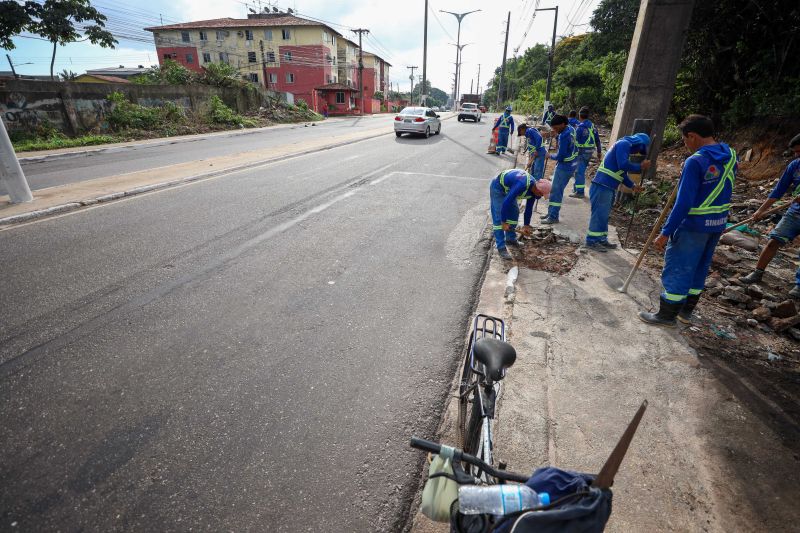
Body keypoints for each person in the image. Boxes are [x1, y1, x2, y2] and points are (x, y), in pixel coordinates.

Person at [639, 114, 738, 326]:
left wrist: (666, 232)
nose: (685, 145)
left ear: (692, 136)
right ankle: (686, 312)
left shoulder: (695, 161)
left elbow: (683, 204)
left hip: (692, 225)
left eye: (684, 140)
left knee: (679, 267)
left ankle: (666, 315)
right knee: (699, 267)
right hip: (717, 224)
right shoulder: (731, 155)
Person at [740, 133, 800, 296]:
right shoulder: (794, 166)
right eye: (795, 152)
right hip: (795, 212)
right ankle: (757, 273)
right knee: (774, 240)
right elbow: (778, 191)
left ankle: (799, 285)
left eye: (799, 152)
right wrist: (761, 210)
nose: (796, 155)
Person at [585, 133, 650, 251]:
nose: (637, 152)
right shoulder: (624, 144)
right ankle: (592, 240)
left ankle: (601, 239)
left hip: (608, 187)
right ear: (638, 143)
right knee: (599, 215)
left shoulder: (623, 147)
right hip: (602, 185)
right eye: (640, 150)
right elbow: (623, 165)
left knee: (604, 215)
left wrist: (633, 186)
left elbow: (622, 173)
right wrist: (640, 166)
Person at [490, 168, 552, 259]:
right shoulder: (522, 185)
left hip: (509, 190)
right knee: (499, 217)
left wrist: (526, 225)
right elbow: (506, 202)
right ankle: (501, 247)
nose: (542, 196)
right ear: (538, 190)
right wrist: (503, 222)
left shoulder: (533, 192)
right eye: (542, 194)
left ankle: (510, 239)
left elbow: (529, 208)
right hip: (498, 187)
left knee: (514, 212)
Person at [541, 115, 578, 224]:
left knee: (556, 191)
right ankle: (550, 213)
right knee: (556, 190)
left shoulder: (564, 135)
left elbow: (560, 156)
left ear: (562, 124)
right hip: (572, 163)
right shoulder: (571, 129)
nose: (555, 130)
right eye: (553, 128)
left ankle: (553, 216)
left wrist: (549, 156)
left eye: (556, 128)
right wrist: (556, 134)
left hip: (565, 165)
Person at [570, 107, 603, 199]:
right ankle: (576, 188)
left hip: (581, 152)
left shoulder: (580, 128)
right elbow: (598, 140)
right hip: (590, 151)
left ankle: (580, 192)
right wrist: (599, 152)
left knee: (579, 172)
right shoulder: (593, 126)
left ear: (580, 116)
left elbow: (574, 142)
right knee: (581, 170)